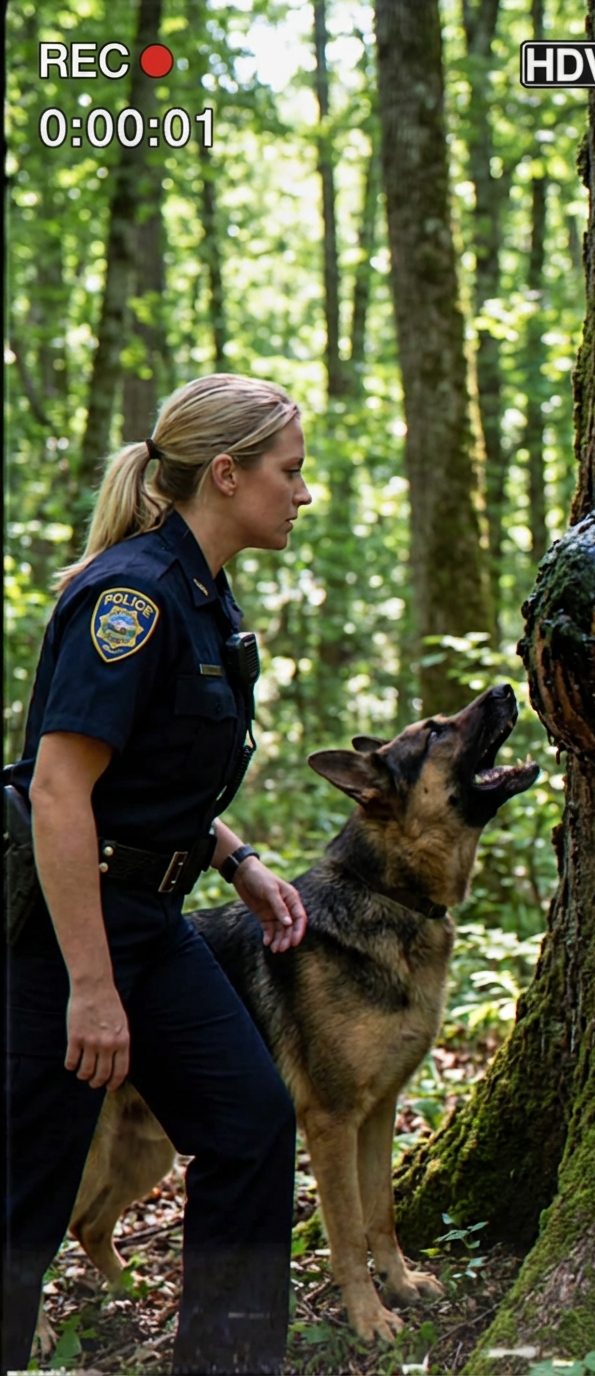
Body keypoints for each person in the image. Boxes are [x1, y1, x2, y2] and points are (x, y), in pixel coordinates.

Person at [4, 373, 313, 1374]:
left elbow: (150, 774)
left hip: (152, 915)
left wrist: (238, 858)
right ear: (226, 474)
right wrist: (89, 988)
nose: (303, 492)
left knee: (252, 1123)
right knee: (25, 1196)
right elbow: (60, 790)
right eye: (290, 471)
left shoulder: (203, 598)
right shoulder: (129, 598)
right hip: (59, 936)